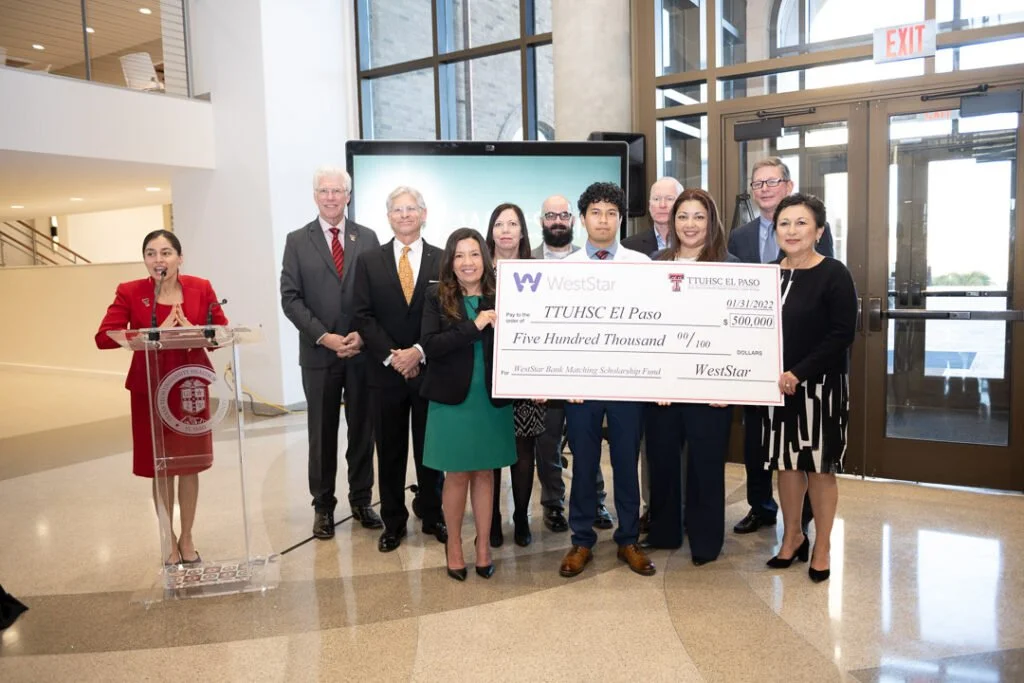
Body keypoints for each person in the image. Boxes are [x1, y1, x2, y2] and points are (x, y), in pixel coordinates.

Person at [95, 229, 227, 566]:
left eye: (166, 253)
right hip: (150, 387)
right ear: (145, 260)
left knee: (189, 464)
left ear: (180, 258)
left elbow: (221, 332)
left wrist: (194, 331)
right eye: (151, 253)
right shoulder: (130, 291)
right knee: (162, 465)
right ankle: (167, 537)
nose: (159, 260)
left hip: (190, 385)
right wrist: (153, 334)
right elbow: (104, 337)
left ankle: (188, 536)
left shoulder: (201, 287)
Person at [727, 157, 832, 535]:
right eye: (758, 184)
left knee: (802, 444)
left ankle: (803, 516)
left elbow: (822, 287)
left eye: (772, 181)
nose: (765, 189)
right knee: (756, 439)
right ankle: (761, 505)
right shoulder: (739, 236)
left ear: (788, 185)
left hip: (802, 358)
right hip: (756, 357)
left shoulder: (813, 229)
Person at [559, 182, 656, 578]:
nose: (603, 220)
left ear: (620, 219)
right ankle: (581, 541)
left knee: (626, 463)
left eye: (611, 213)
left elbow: (654, 324)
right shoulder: (563, 270)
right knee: (583, 465)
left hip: (627, 384)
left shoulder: (641, 265)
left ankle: (628, 538)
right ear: (583, 220)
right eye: (596, 213)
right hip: (580, 387)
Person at [281, 166, 382, 540]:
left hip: (360, 352)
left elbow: (378, 294)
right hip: (319, 355)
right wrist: (324, 336)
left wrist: (362, 336)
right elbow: (290, 298)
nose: (331, 197)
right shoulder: (297, 240)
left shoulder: (367, 238)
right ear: (315, 196)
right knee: (321, 434)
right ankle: (323, 507)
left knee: (362, 431)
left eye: (338, 190)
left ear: (348, 196)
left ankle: (361, 500)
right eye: (324, 190)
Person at [762, 193, 856, 583]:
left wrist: (799, 373)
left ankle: (823, 546)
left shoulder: (834, 273)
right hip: (776, 389)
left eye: (801, 223)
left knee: (819, 468)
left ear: (818, 231)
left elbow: (841, 334)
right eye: (784, 223)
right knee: (785, 466)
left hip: (820, 389)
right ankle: (793, 537)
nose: (792, 230)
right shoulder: (767, 274)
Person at [642, 189, 737, 565]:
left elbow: (737, 332)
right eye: (683, 216)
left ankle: (705, 540)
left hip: (711, 389)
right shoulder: (655, 264)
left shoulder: (731, 267)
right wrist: (655, 379)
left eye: (699, 216)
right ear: (672, 221)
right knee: (662, 461)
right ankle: (664, 532)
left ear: (711, 222)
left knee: (706, 465)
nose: (690, 224)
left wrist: (728, 384)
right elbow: (646, 324)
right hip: (663, 389)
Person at [352, 186, 447, 552]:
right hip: (384, 373)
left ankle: (433, 514)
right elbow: (363, 315)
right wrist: (394, 357)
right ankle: (393, 522)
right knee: (389, 451)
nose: (405, 215)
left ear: (424, 214)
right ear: (388, 217)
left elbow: (447, 313)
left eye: (411, 209)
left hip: (429, 370)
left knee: (430, 449)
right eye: (397, 210)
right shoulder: (369, 260)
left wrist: (418, 352)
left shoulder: (443, 260)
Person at [420, 228, 517, 581]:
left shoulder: (503, 294)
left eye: (474, 254)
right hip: (452, 401)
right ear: (450, 261)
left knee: (485, 473)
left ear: (485, 259)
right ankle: (455, 546)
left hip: (490, 399)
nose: (467, 262)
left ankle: (483, 546)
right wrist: (475, 326)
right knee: (457, 474)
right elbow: (431, 345)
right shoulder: (436, 296)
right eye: (459, 255)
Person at [531, 195, 612, 534]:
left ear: (573, 221)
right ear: (542, 221)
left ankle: (595, 501)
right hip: (545, 369)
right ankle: (553, 503)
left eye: (563, 215)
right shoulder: (526, 262)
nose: (557, 221)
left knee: (586, 440)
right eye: (551, 215)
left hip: (584, 369)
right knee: (547, 441)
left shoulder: (591, 259)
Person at [485, 202, 544, 548]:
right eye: (499, 224)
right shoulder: (477, 271)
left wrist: (542, 378)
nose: (505, 230)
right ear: (491, 231)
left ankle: (521, 516)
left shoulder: (537, 272)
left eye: (512, 224)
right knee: (491, 452)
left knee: (523, 452)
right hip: (486, 377)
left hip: (525, 376)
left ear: (523, 231)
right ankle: (490, 517)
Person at [621, 176, 682, 256]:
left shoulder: (694, 243)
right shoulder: (628, 247)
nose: (662, 205)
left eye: (669, 199)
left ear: (681, 204)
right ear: (649, 205)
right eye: (656, 199)